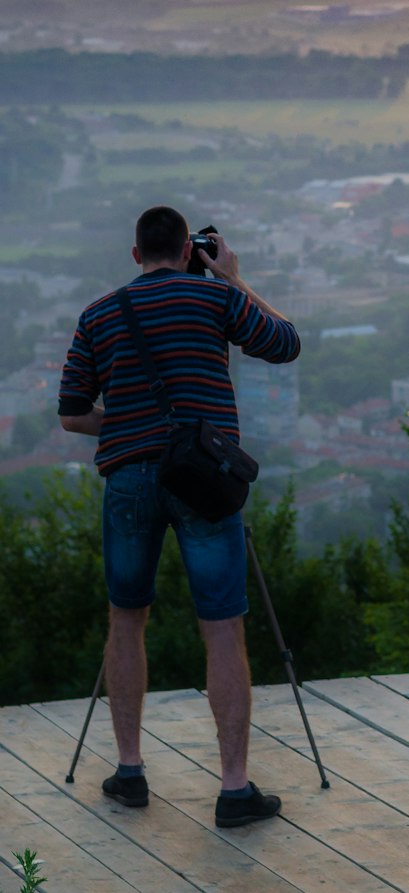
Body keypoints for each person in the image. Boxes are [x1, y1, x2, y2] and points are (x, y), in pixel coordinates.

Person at [57, 205, 301, 829]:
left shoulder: (98, 315)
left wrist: (134, 427)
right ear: (192, 253)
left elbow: (72, 413)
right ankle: (234, 789)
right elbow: (285, 343)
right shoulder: (212, 297)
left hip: (129, 478)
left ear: (135, 254)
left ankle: (131, 772)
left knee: (126, 618)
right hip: (201, 478)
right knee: (222, 627)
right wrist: (234, 278)